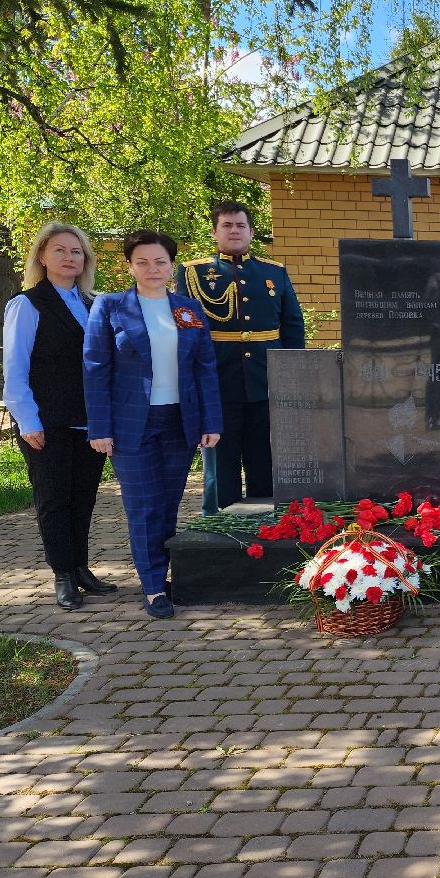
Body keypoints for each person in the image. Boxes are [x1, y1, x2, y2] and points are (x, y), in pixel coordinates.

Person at [85, 230, 223, 619]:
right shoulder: (110, 308)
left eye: (160, 261)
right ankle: (152, 587)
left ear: (172, 266)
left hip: (180, 420)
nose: (152, 269)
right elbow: (95, 370)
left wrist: (210, 420)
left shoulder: (189, 309)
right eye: (142, 261)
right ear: (129, 266)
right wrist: (100, 427)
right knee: (144, 506)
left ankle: (162, 573)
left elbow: (205, 369)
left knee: (169, 505)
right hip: (132, 425)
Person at [2, 222, 114, 609]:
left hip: (89, 421)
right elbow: (14, 369)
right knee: (53, 498)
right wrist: (27, 420)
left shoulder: (95, 303)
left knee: (83, 498)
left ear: (86, 259)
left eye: (76, 252)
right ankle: (63, 575)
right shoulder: (27, 304)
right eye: (60, 251)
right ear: (42, 257)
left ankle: (81, 567)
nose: (69, 258)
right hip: (45, 421)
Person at [177, 201, 305, 514]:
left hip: (266, 382)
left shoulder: (273, 272)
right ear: (214, 231)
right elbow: (185, 334)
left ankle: (269, 528)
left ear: (251, 231)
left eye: (241, 225)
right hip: (218, 383)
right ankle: (221, 532)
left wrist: (293, 380)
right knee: (221, 466)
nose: (234, 231)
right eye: (227, 225)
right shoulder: (192, 273)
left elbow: (292, 327)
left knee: (266, 460)